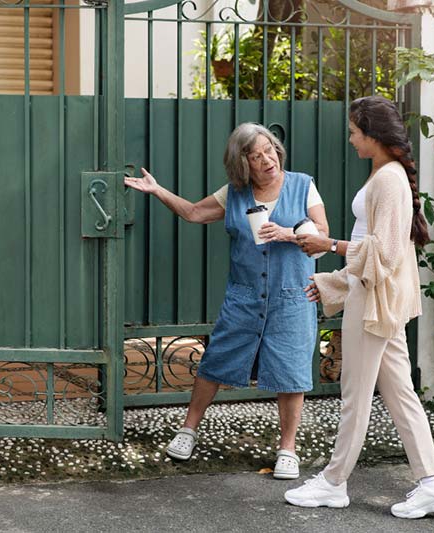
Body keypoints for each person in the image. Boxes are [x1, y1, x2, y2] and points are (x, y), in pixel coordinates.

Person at [124, 123, 329, 480]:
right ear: (242, 163)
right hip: (245, 296)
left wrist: (288, 233)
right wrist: (157, 191)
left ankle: (287, 449)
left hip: (291, 295)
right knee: (215, 361)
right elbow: (192, 213)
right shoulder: (234, 193)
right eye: (256, 155)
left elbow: (322, 234)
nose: (267, 159)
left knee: (292, 373)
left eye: (270, 150)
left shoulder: (302, 184)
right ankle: (188, 431)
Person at [284, 96, 434, 518]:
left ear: (373, 134)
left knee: (354, 395)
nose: (350, 138)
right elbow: (375, 250)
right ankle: (433, 484)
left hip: (374, 302)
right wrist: (336, 282)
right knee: (400, 395)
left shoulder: (388, 180)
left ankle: (332, 481)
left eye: (354, 131)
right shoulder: (385, 175)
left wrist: (329, 246)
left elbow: (386, 253)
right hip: (375, 298)